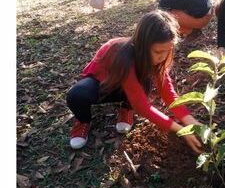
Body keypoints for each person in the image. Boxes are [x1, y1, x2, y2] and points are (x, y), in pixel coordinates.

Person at [66, 11, 203, 152]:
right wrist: (180, 129)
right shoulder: (121, 53)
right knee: (77, 96)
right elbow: (143, 106)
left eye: (167, 51)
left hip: (128, 88)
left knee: (144, 83)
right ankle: (83, 121)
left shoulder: (156, 60)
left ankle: (126, 107)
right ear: (143, 45)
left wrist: (189, 120)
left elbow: (168, 93)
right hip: (103, 84)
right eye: (157, 52)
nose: (162, 57)